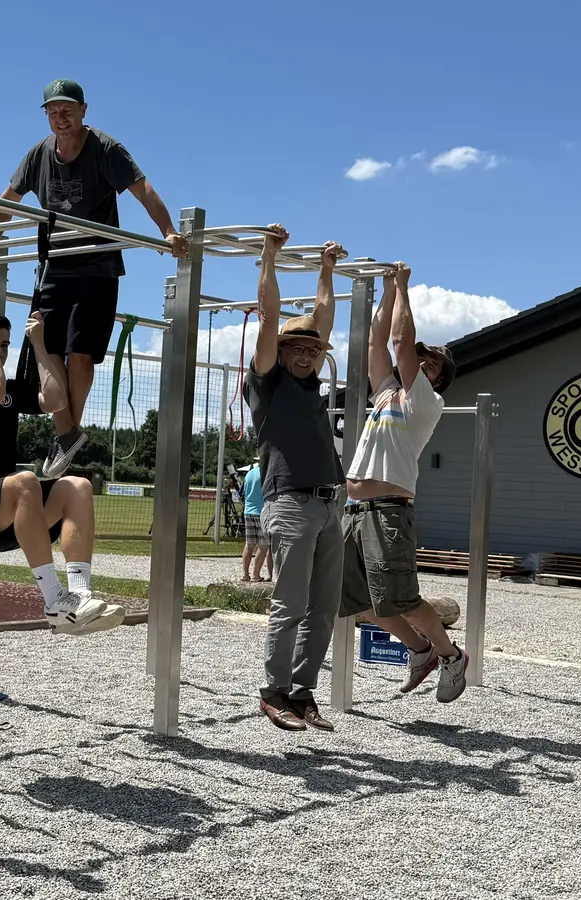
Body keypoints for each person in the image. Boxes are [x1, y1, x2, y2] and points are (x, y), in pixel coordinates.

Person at [0, 78, 189, 479]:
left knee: (80, 353)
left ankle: (66, 434)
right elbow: (9, 199)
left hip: (97, 267)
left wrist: (167, 231)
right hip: (54, 266)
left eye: (67, 111)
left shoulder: (105, 149)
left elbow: (142, 189)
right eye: (53, 112)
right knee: (46, 349)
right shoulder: (38, 156)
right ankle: (69, 432)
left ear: (83, 111)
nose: (60, 119)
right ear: (46, 116)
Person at [0, 302, 124, 635]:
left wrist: (38, 344)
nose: (2, 351)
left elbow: (56, 400)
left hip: (4, 519)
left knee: (77, 487)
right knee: (25, 482)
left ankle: (77, 598)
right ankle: (54, 600)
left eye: (6, 344)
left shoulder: (9, 391)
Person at [340, 263, 467, 701]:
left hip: (389, 511)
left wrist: (402, 285)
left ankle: (451, 655)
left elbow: (397, 341)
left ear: (437, 378)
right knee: (363, 604)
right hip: (355, 511)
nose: (418, 362)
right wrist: (385, 292)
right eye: (420, 358)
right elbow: (378, 340)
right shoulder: (385, 396)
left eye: (428, 363)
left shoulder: (427, 403)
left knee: (402, 598)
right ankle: (419, 650)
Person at [245, 226, 345, 733]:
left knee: (324, 608)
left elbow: (323, 317)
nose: (305, 354)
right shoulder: (268, 382)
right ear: (280, 353)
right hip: (290, 503)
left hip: (330, 505)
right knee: (290, 603)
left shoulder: (312, 387)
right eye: (296, 348)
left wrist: (326, 270)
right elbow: (267, 316)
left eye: (313, 349)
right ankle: (274, 690)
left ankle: (304, 691)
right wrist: (269, 256)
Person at [240, 462, 271, 582]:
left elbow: (242, 492)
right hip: (261, 511)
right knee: (263, 546)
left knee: (249, 544)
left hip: (248, 511)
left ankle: (245, 574)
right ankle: (256, 575)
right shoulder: (265, 474)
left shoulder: (249, 474)